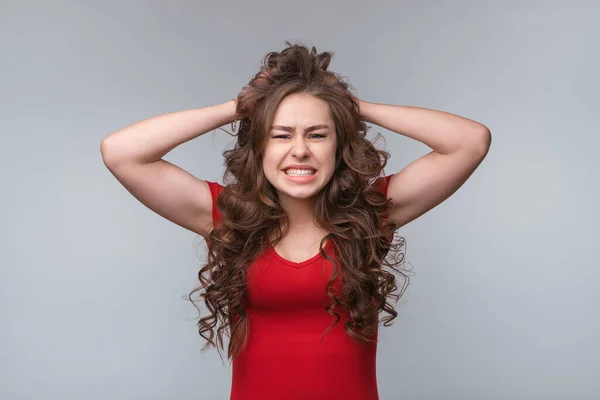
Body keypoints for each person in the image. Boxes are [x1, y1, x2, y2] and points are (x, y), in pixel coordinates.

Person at [100, 42, 491, 400]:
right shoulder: (226, 217)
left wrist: (353, 106)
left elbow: (469, 141)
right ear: (259, 147)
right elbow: (121, 152)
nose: (300, 151)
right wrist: (240, 106)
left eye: (318, 135)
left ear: (339, 146)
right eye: (281, 135)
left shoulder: (370, 215)